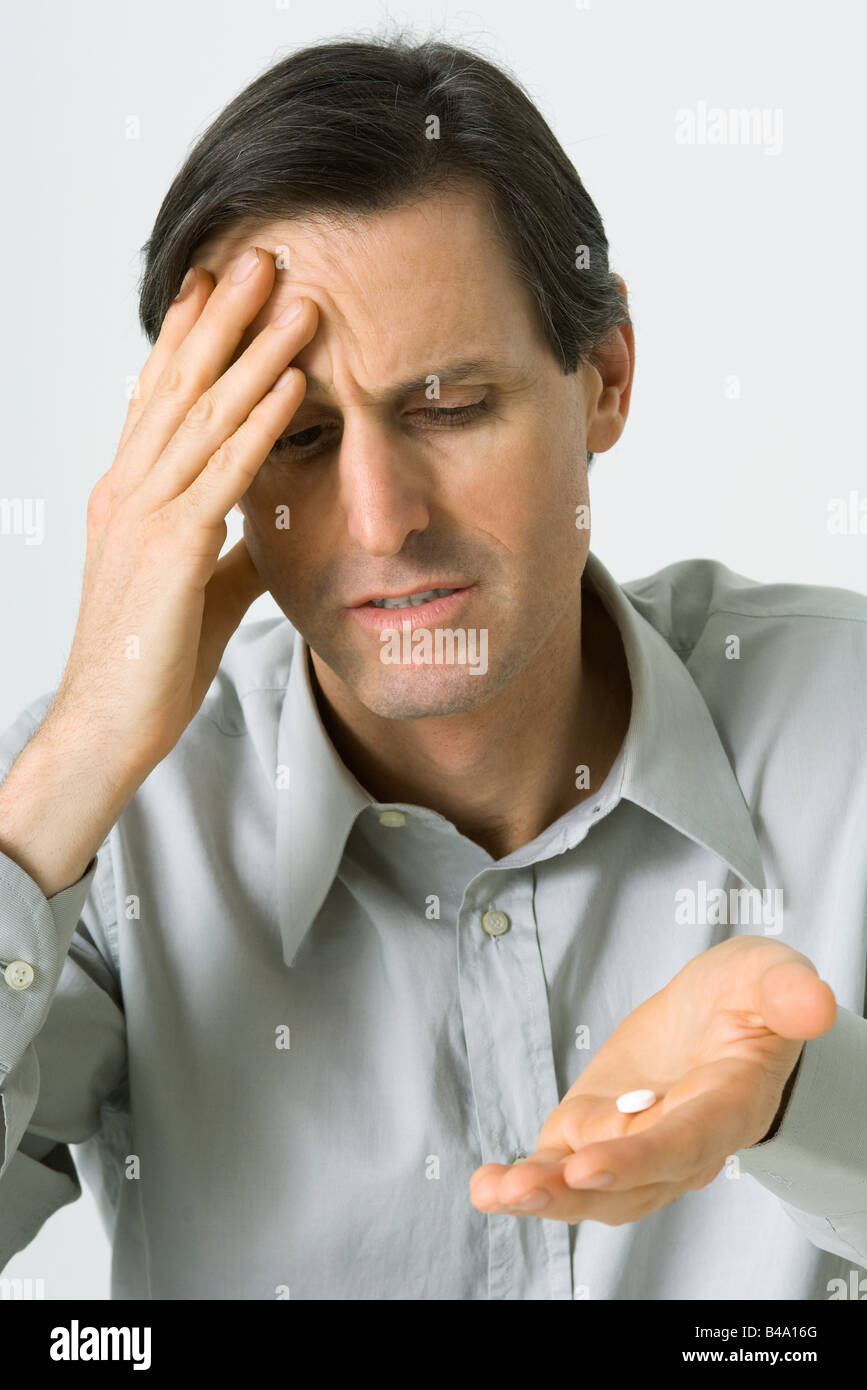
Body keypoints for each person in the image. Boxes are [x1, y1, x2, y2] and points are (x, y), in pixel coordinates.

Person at [0, 33, 864, 1302]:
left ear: (607, 379)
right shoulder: (108, 829)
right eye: (293, 437)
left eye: (450, 407)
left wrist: (811, 1099)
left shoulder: (848, 735)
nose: (378, 519)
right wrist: (66, 774)